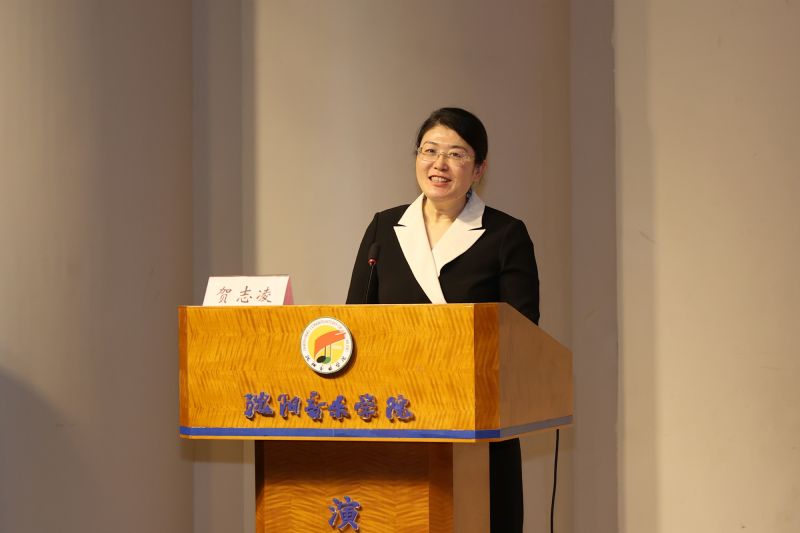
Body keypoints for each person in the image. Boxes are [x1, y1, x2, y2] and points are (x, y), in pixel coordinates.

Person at [346, 107, 539, 532]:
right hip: (397, 416)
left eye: (456, 154)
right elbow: (356, 324)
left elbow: (522, 335)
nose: (440, 164)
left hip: (477, 421)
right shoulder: (384, 228)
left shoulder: (505, 234)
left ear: (479, 169)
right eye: (430, 150)